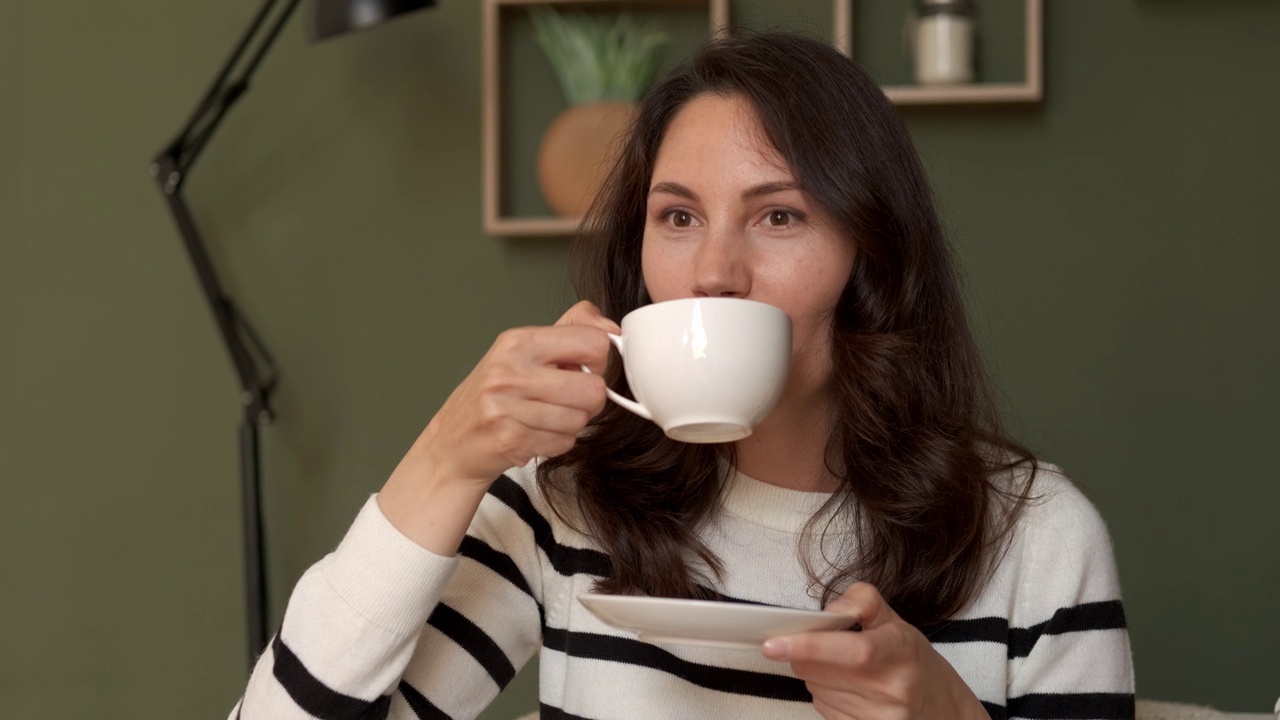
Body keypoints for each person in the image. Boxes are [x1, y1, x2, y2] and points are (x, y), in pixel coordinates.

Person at [230, 31, 1134, 720]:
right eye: (677, 218)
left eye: (779, 216)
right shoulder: (560, 506)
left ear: (872, 256)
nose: (713, 272)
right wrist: (444, 463)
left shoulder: (1036, 541)